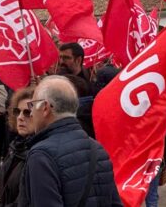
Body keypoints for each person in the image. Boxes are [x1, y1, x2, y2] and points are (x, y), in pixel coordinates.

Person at [19, 75, 121, 206]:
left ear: (45, 108)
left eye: (32, 105)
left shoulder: (41, 156)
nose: (31, 113)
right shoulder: (97, 148)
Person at [0, 86, 35, 207]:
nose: (20, 117)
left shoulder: (38, 154)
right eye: (17, 111)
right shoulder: (15, 145)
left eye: (27, 112)